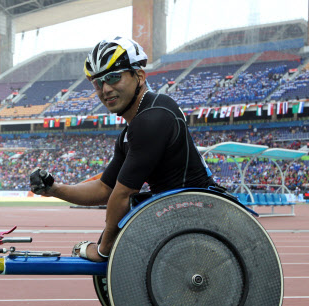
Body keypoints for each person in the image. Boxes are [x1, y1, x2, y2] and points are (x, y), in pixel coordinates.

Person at [29, 36, 216, 262]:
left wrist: (102, 250)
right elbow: (104, 189)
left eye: (113, 77)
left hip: (196, 221)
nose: (105, 89)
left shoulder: (154, 116)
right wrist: (55, 189)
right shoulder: (130, 132)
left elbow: (123, 194)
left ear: (139, 76)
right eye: (98, 83)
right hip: (180, 216)